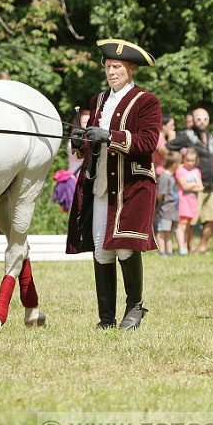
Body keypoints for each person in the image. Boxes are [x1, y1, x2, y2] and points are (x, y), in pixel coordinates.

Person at [66, 38, 161, 330]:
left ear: (131, 69)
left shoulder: (146, 101)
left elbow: (148, 142)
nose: (112, 72)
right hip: (100, 185)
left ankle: (135, 307)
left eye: (117, 66)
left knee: (125, 247)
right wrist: (81, 141)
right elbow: (92, 142)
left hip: (132, 187)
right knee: (101, 249)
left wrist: (109, 136)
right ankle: (105, 319)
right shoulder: (98, 101)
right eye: (108, 66)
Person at [166, 108, 213, 254]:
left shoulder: (211, 137)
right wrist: (177, 165)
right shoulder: (187, 136)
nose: (202, 121)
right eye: (198, 119)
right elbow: (169, 147)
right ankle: (189, 248)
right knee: (190, 221)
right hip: (193, 186)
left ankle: (201, 247)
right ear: (193, 120)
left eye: (205, 118)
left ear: (208, 120)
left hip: (208, 185)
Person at [174, 147, 204, 255]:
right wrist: (194, 185)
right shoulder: (180, 170)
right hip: (183, 201)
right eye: (188, 160)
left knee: (187, 226)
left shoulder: (197, 171)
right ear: (183, 159)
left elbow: (201, 187)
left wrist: (190, 185)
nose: (190, 163)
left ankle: (185, 248)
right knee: (182, 226)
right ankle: (182, 248)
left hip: (193, 201)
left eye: (192, 161)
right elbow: (184, 186)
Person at [155, 151, 181, 256]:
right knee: (162, 231)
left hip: (172, 210)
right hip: (165, 209)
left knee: (169, 231)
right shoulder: (164, 177)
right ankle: (162, 251)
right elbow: (160, 194)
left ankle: (169, 251)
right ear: (174, 164)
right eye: (179, 163)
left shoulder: (171, 177)